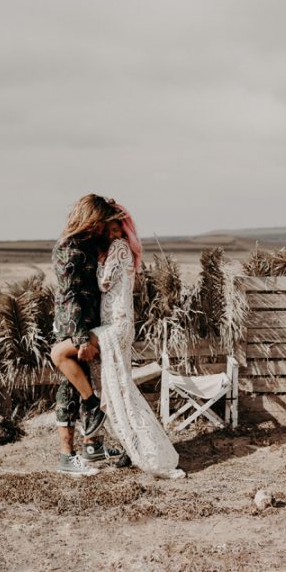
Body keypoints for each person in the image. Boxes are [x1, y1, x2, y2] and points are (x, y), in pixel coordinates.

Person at [92, 199, 186, 479]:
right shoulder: (121, 248)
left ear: (120, 227)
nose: (110, 233)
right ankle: (132, 446)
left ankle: (149, 451)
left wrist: (96, 258)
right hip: (116, 323)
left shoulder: (119, 248)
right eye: (107, 229)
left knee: (119, 388)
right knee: (117, 386)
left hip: (117, 325)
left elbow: (103, 283)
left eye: (112, 228)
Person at [49, 194, 128, 476]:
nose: (103, 229)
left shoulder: (89, 243)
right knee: (69, 389)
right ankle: (67, 457)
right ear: (90, 219)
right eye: (100, 223)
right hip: (73, 325)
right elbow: (70, 297)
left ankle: (91, 446)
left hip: (90, 322)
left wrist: (113, 208)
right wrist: (82, 338)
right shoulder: (69, 248)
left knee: (89, 379)